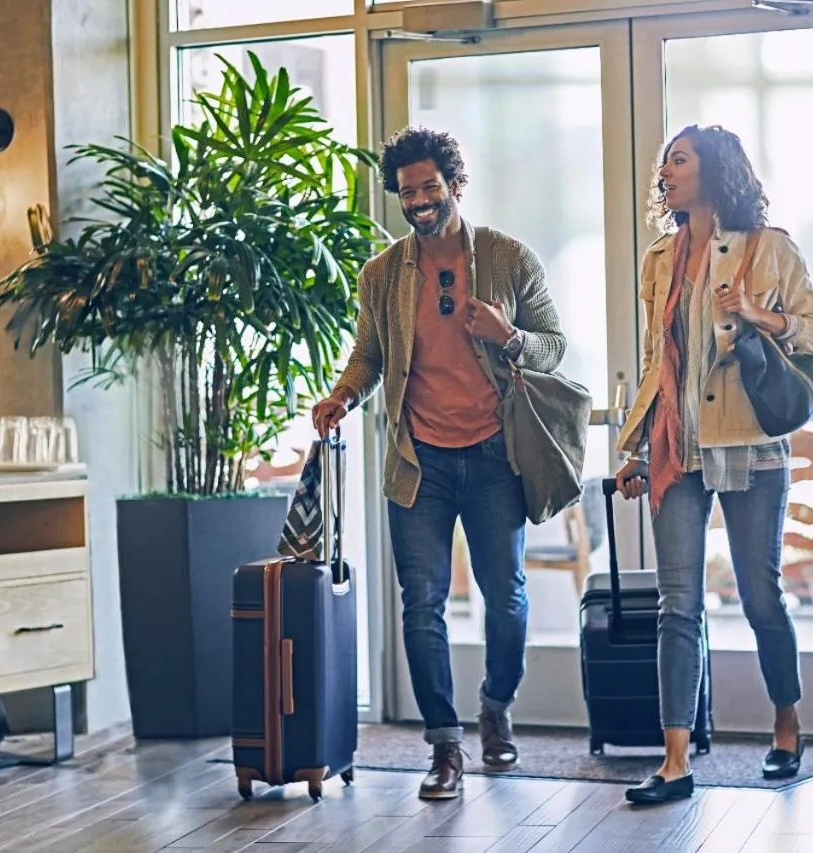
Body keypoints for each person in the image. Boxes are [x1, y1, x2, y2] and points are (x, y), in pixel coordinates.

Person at [311, 126, 569, 800]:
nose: (420, 201)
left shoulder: (509, 257)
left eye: (430, 187)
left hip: (492, 455)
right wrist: (343, 394)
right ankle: (444, 746)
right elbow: (370, 355)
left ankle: (496, 707)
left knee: (506, 598)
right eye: (407, 191)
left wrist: (508, 337)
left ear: (456, 184)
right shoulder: (383, 273)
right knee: (420, 604)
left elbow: (555, 346)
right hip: (416, 460)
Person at [613, 124, 813, 806]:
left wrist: (757, 316)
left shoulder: (769, 249)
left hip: (748, 442)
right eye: (665, 163)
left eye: (678, 160)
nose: (666, 172)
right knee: (676, 605)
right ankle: (675, 759)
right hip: (678, 446)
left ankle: (786, 722)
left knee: (759, 594)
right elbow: (660, 362)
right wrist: (634, 444)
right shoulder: (659, 258)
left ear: (714, 170)